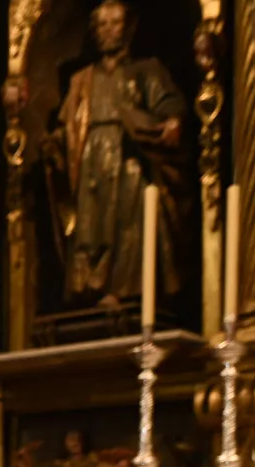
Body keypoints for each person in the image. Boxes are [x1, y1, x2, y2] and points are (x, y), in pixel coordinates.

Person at [46, 0, 188, 306]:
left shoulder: (146, 70)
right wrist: (54, 144)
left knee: (128, 223)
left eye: (114, 23)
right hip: (89, 158)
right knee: (89, 227)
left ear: (129, 27)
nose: (107, 31)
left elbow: (169, 106)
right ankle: (89, 289)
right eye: (101, 24)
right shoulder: (81, 79)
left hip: (129, 156)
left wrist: (171, 123)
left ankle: (123, 289)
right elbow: (67, 124)